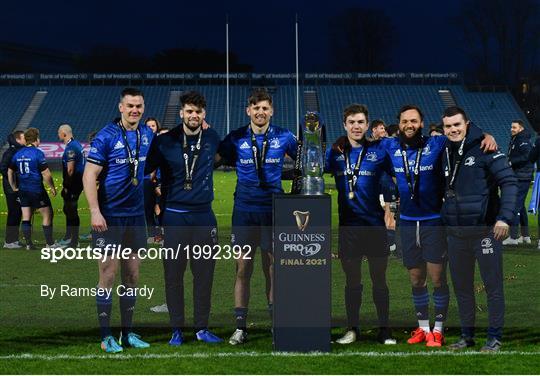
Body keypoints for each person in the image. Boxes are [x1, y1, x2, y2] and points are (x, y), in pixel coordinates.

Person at [380, 105, 496, 347]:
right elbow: (364, 145)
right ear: (399, 124)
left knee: (437, 279)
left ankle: (439, 329)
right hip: (408, 223)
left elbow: (464, 132)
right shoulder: (390, 146)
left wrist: (486, 135)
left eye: (413, 120)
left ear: (421, 123)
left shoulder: (437, 144)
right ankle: (423, 328)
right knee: (415, 278)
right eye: (404, 121)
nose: (409, 125)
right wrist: (342, 141)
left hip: (434, 221)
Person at [217, 88, 297, 345]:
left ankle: (276, 324)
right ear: (248, 111)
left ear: (271, 111)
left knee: (273, 268)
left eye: (265, 108)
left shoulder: (284, 136)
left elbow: (306, 161)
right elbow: (214, 160)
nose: (260, 112)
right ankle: (240, 327)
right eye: (256, 108)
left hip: (274, 210)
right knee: (243, 268)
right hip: (244, 210)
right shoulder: (236, 137)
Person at [145, 91, 223, 345]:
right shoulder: (165, 141)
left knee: (204, 276)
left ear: (204, 114)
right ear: (181, 113)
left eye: (198, 112)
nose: (193, 115)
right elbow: (146, 168)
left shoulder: (212, 137)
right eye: (189, 111)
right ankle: (176, 329)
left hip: (203, 217)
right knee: (173, 275)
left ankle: (201, 328)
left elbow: (220, 159)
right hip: (175, 217)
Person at [83, 88, 153, 353]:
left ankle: (128, 333)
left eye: (139, 106)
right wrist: (94, 211)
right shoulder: (106, 136)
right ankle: (105, 336)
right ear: (121, 108)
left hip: (135, 218)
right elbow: (89, 175)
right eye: (130, 106)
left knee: (132, 276)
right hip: (110, 217)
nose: (135, 110)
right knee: (108, 275)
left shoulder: (146, 134)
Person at [441, 106, 516, 352]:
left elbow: (509, 181)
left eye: (457, 125)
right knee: (462, 288)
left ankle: (494, 337)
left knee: (493, 287)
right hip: (455, 234)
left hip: (485, 232)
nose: (453, 130)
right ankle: (466, 336)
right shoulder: (443, 151)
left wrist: (504, 218)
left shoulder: (486, 148)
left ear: (467, 124)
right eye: (448, 126)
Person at [326, 104, 395, 345]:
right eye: (351, 122)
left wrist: (391, 207)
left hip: (374, 225)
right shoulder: (334, 153)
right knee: (352, 280)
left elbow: (395, 177)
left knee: (379, 279)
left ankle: (384, 329)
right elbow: (312, 171)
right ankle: (352, 329)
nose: (356, 126)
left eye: (360, 122)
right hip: (349, 228)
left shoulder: (379, 151)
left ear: (367, 126)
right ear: (344, 125)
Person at [7, 128, 58, 250]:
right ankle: (50, 244)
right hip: (36, 189)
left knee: (26, 217)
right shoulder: (37, 153)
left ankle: (29, 244)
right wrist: (52, 187)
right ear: (36, 139)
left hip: (23, 190)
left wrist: (14, 186)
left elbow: (10, 171)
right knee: (47, 214)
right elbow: (46, 174)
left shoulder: (18, 153)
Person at [502, 120, 533, 246]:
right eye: (511, 127)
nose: (512, 129)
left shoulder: (523, 140)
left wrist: (511, 162)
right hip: (521, 176)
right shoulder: (517, 138)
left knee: (514, 205)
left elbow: (528, 155)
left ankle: (513, 238)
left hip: (522, 176)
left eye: (514, 127)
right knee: (521, 207)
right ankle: (526, 236)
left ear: (521, 128)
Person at [57, 124, 85, 248]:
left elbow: (70, 170)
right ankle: (69, 237)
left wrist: (66, 186)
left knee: (71, 210)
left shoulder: (71, 148)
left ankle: (73, 241)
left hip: (73, 184)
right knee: (67, 209)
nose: (58, 135)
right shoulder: (76, 144)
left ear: (64, 134)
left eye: (59, 133)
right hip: (77, 182)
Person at [1, 130, 25, 248]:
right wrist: (13, 182)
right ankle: (9, 241)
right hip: (11, 189)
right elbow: (3, 168)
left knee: (17, 212)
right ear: (18, 140)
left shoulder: (16, 151)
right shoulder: (10, 152)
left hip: (15, 187)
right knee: (14, 212)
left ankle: (13, 240)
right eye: (23, 137)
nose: (25, 139)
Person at [143, 117, 161, 243]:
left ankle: (161, 234)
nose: (150, 128)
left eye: (153, 126)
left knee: (161, 207)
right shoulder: (143, 142)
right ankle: (151, 233)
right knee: (148, 207)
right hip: (146, 180)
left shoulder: (161, 142)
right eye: (148, 126)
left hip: (161, 180)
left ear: (157, 127)